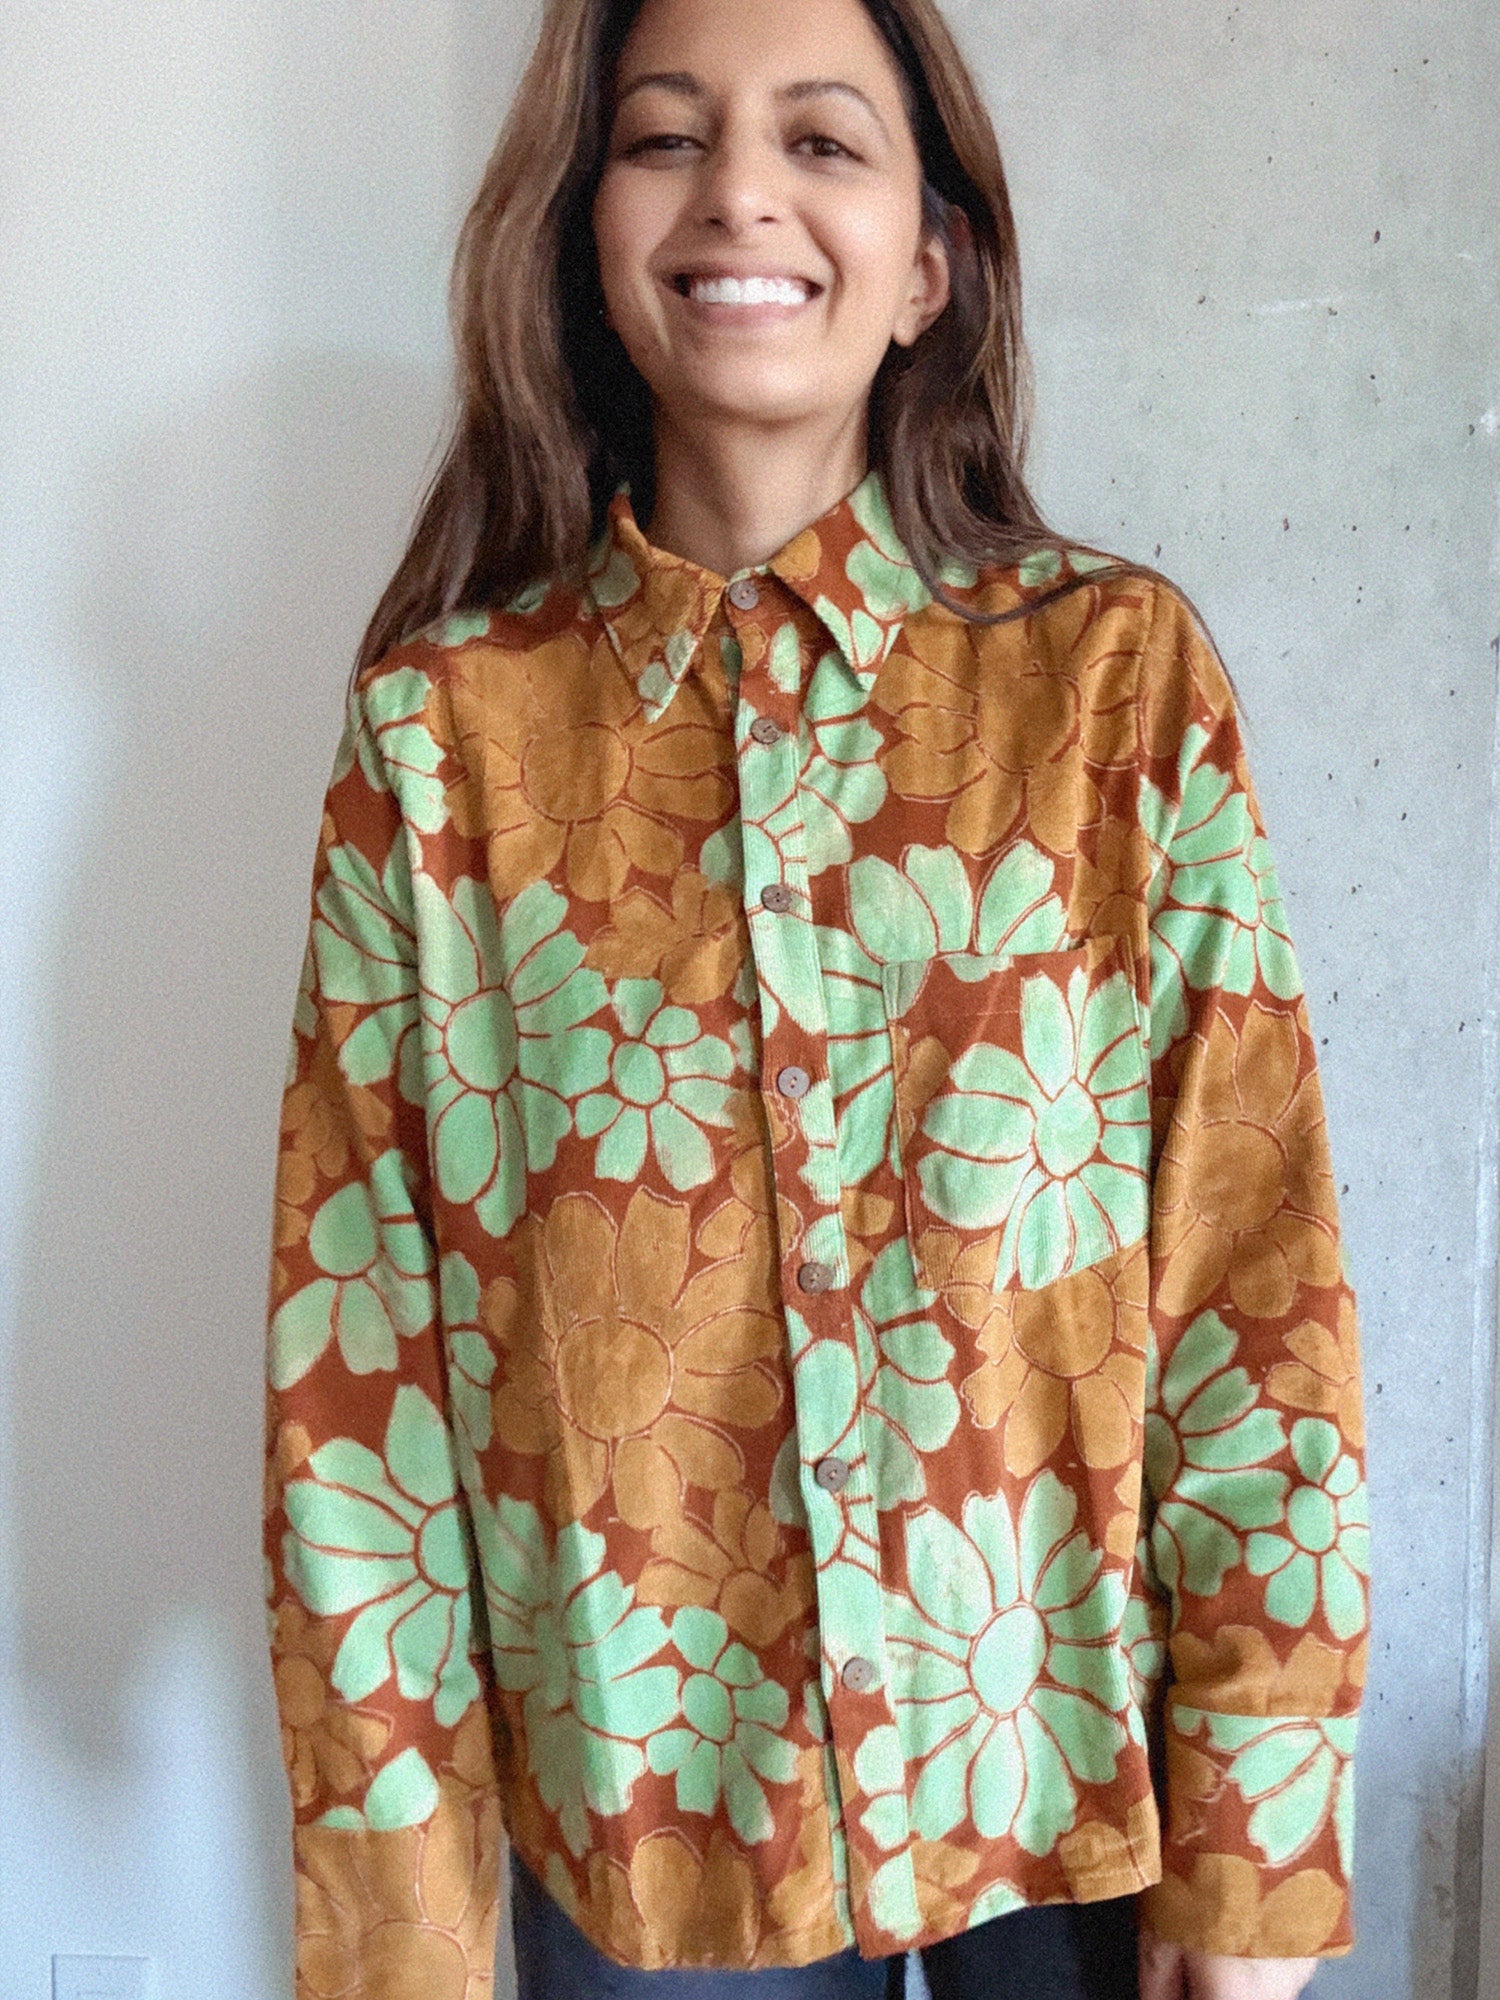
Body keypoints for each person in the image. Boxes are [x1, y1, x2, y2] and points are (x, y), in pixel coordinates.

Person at [262, 0, 1371, 1995]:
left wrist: (1261, 1844)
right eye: (666, 138)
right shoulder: (445, 749)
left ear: (932, 264)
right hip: (645, 1845)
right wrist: (404, 1938)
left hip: (1075, 1802)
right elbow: (369, 1405)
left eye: (824, 142)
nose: (741, 193)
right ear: (589, 232)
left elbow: (1251, 1280)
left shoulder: (1116, 691)